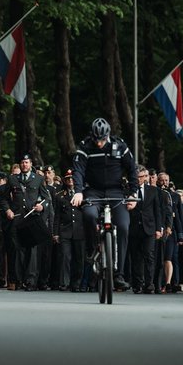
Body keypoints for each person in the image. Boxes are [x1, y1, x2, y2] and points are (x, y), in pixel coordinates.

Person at [70, 117, 136, 292]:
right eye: (96, 139)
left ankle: (119, 274)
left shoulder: (120, 146)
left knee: (123, 226)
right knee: (89, 214)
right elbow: (78, 171)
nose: (99, 143)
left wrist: (133, 193)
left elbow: (132, 169)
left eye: (102, 139)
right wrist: (78, 191)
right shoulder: (85, 147)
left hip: (116, 192)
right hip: (93, 191)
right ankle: (92, 248)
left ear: (108, 135)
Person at [0, 153, 49, 291]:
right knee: (17, 250)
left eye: (27, 162)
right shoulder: (13, 179)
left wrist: (42, 206)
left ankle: (31, 281)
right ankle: (17, 280)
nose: (24, 165)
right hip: (16, 218)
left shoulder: (38, 179)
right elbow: (3, 199)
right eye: (22, 162)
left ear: (31, 164)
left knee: (32, 250)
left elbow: (47, 199)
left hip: (32, 219)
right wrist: (7, 210)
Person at [125, 167, 163, 293]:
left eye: (141, 177)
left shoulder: (153, 190)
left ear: (145, 177)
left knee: (149, 256)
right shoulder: (128, 190)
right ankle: (137, 284)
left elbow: (157, 211)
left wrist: (158, 229)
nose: (139, 179)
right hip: (134, 227)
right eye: (137, 177)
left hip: (149, 228)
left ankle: (149, 284)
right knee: (136, 257)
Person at [54, 170, 85, 291]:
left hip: (80, 230)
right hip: (65, 230)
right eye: (68, 178)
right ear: (65, 181)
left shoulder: (83, 194)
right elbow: (57, 216)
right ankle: (64, 282)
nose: (70, 180)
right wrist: (55, 233)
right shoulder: (60, 195)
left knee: (79, 258)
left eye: (72, 178)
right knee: (65, 257)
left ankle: (76, 283)